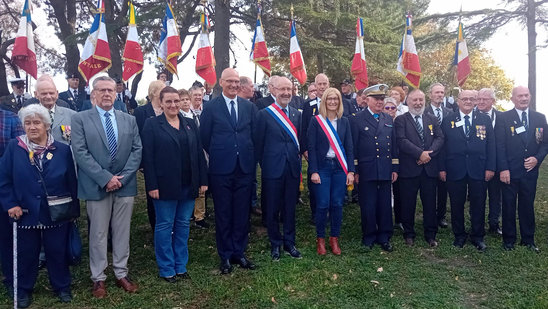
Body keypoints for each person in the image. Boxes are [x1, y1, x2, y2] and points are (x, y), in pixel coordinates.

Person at [0, 104, 79, 307]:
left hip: (57, 210)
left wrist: (73, 210)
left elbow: (72, 180)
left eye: (36, 122)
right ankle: (24, 288)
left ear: (46, 125)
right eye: (27, 123)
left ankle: (61, 286)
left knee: (57, 250)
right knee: (27, 252)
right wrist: (10, 204)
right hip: (24, 211)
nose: (32, 127)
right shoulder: (14, 147)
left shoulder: (62, 150)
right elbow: (4, 179)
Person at [71, 76, 142, 298]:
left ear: (116, 92)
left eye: (110, 90)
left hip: (124, 185)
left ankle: (121, 272)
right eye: (102, 90)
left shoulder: (128, 119)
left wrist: (121, 178)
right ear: (93, 93)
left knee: (122, 231)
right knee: (99, 233)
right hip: (96, 186)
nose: (107, 94)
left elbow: (137, 150)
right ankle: (98, 278)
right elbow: (80, 152)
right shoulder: (81, 119)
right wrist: (105, 178)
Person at [141, 86, 207, 282]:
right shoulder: (152, 125)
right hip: (163, 186)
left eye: (176, 101)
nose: (173, 105)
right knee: (164, 225)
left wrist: (203, 179)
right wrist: (151, 185)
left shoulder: (189, 123)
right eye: (168, 101)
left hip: (189, 183)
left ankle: (180, 265)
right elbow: (148, 158)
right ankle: (166, 267)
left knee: (182, 225)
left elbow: (198, 153)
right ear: (161, 103)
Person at [200, 68, 257, 274]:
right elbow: (204, 137)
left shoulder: (248, 107)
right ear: (221, 82)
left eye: (236, 81)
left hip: (244, 168)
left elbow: (254, 134)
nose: (234, 85)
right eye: (230, 81)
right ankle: (224, 255)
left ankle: (239, 252)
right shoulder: (211, 107)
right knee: (223, 213)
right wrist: (221, 152)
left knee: (242, 212)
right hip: (221, 168)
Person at [439, 90, 496, 251]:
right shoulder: (448, 119)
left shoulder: (484, 119)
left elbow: (491, 145)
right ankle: (459, 235)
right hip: (454, 169)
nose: (468, 101)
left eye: (472, 99)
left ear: (476, 101)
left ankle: (478, 236)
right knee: (456, 204)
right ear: (458, 101)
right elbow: (442, 147)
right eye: (465, 98)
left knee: (478, 204)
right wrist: (442, 168)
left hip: (478, 168)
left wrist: (491, 167)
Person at [254, 76, 302, 260]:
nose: (286, 93)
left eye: (289, 89)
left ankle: (290, 242)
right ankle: (275, 243)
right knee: (272, 209)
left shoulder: (297, 114)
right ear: (273, 90)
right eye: (282, 89)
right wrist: (266, 164)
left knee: (290, 208)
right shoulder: (264, 114)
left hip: (292, 169)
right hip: (272, 169)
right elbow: (258, 144)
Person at [496, 86, 548, 252]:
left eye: (526, 95)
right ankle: (509, 240)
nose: (524, 98)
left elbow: (545, 143)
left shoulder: (540, 118)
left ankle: (528, 239)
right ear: (512, 98)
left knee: (527, 205)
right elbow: (500, 145)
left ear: (530, 96)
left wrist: (537, 159)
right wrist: (503, 169)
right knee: (509, 205)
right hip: (510, 171)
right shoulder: (504, 117)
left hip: (530, 171)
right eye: (520, 96)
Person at [350, 84, 398, 252]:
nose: (380, 102)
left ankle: (384, 235)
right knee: (368, 204)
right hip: (366, 168)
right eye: (376, 99)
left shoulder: (388, 119)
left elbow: (394, 146)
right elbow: (353, 147)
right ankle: (369, 235)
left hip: (385, 167)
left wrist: (394, 168)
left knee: (384, 204)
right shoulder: (356, 119)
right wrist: (355, 170)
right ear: (367, 99)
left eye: (382, 99)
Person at [307, 87, 354, 255]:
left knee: (337, 204)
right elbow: (311, 148)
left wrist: (351, 171)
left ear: (339, 102)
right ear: (324, 101)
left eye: (336, 99)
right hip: (323, 167)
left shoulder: (345, 121)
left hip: (340, 168)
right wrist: (313, 170)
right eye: (329, 99)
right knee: (322, 204)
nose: (332, 102)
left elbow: (349, 147)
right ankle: (320, 239)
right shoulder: (316, 121)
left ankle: (334, 239)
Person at [394, 89, 444, 247]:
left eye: (420, 100)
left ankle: (430, 234)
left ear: (425, 101)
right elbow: (401, 141)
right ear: (407, 102)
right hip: (409, 169)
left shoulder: (432, 119)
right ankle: (409, 234)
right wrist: (419, 154)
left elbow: (440, 137)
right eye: (414, 100)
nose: (418, 103)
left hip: (429, 169)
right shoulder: (401, 120)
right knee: (408, 203)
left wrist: (428, 154)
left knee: (430, 203)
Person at [133, 81, 165, 232]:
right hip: (150, 159)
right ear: (153, 92)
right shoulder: (141, 112)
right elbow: (137, 137)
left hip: (167, 159)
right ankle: (155, 226)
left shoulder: (168, 109)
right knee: (153, 193)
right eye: (162, 91)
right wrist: (141, 162)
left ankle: (167, 224)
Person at [0, 109, 24, 295]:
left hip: (4, 183)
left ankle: (11, 277)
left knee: (5, 235)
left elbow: (18, 155)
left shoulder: (10, 119)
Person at [302, 73, 330, 223]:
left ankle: (329, 211)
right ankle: (316, 213)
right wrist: (305, 149)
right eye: (319, 84)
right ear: (315, 85)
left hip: (332, 152)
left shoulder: (337, 103)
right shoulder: (308, 105)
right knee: (314, 182)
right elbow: (303, 128)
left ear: (328, 84)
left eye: (324, 84)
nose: (322, 87)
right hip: (314, 152)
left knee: (331, 181)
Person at [425, 82, 452, 228]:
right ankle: (429, 215)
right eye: (437, 92)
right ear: (430, 95)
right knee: (429, 188)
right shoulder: (424, 111)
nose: (440, 95)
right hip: (429, 154)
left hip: (446, 155)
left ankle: (441, 216)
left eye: (442, 92)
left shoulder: (449, 112)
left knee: (443, 188)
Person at [477, 88, 503, 235]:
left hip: (498, 164)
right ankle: (478, 224)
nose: (480, 102)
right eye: (479, 99)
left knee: (495, 196)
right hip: (478, 165)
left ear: (492, 101)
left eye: (484, 99)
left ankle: (494, 224)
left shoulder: (502, 117)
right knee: (478, 197)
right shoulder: (471, 116)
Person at [34, 75, 76, 145]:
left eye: (51, 93)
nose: (48, 97)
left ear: (57, 93)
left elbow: (76, 143)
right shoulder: (28, 116)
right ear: (36, 94)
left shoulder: (72, 115)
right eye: (44, 93)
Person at [383, 97, 401, 229]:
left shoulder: (401, 122)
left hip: (401, 161)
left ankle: (399, 219)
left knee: (399, 192)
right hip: (384, 161)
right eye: (387, 108)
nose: (390, 110)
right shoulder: (380, 122)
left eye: (392, 108)